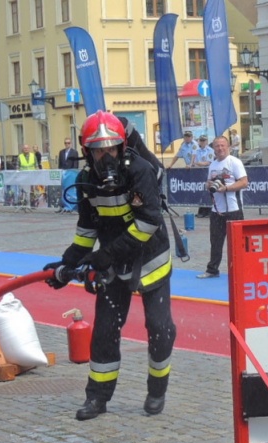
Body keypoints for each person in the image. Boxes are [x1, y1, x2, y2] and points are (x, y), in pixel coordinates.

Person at [42, 110, 176, 421]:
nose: (107, 156)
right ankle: (97, 399)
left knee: (159, 327)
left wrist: (106, 255)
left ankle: (157, 387)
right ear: (87, 151)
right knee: (104, 332)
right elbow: (87, 230)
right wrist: (68, 263)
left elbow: (147, 223)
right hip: (113, 265)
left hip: (150, 259)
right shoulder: (86, 179)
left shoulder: (140, 172)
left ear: (122, 147)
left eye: (112, 148)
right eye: (100, 150)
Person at [198, 136, 248, 279]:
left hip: (234, 210)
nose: (220, 148)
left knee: (238, 244)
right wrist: (209, 185)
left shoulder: (235, 162)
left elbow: (244, 182)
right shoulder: (212, 165)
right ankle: (212, 270)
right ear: (213, 148)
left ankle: (241, 270)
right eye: (217, 146)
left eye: (222, 145)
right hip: (217, 211)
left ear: (228, 147)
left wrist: (226, 188)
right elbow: (208, 182)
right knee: (215, 242)